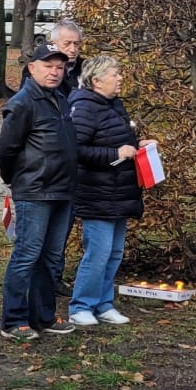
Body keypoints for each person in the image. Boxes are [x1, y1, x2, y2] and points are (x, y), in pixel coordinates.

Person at [0, 43, 79, 341]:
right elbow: (6, 149)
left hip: (63, 191)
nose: (55, 72)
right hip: (35, 191)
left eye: (60, 67)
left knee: (51, 257)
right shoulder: (23, 103)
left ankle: (43, 315)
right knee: (27, 254)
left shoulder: (61, 98)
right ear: (32, 68)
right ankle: (14, 319)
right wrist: (15, 179)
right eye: (48, 66)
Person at [67, 55, 146, 328]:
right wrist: (115, 153)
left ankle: (103, 303)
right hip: (97, 192)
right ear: (97, 80)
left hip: (120, 191)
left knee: (114, 252)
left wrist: (139, 145)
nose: (121, 77)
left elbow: (119, 140)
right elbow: (75, 149)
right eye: (115, 74)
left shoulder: (114, 105)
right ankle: (80, 305)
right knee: (98, 252)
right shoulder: (85, 107)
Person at [49, 19, 85, 100]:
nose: (73, 49)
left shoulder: (88, 68)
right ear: (53, 44)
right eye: (67, 44)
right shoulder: (39, 69)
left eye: (76, 44)